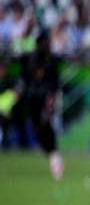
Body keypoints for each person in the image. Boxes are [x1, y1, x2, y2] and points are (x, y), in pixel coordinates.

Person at [16, 30, 64, 179]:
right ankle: (53, 155)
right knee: (38, 128)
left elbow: (55, 84)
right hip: (33, 99)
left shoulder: (50, 61)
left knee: (45, 126)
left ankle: (54, 156)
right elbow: (24, 77)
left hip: (43, 99)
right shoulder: (30, 59)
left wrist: (51, 99)